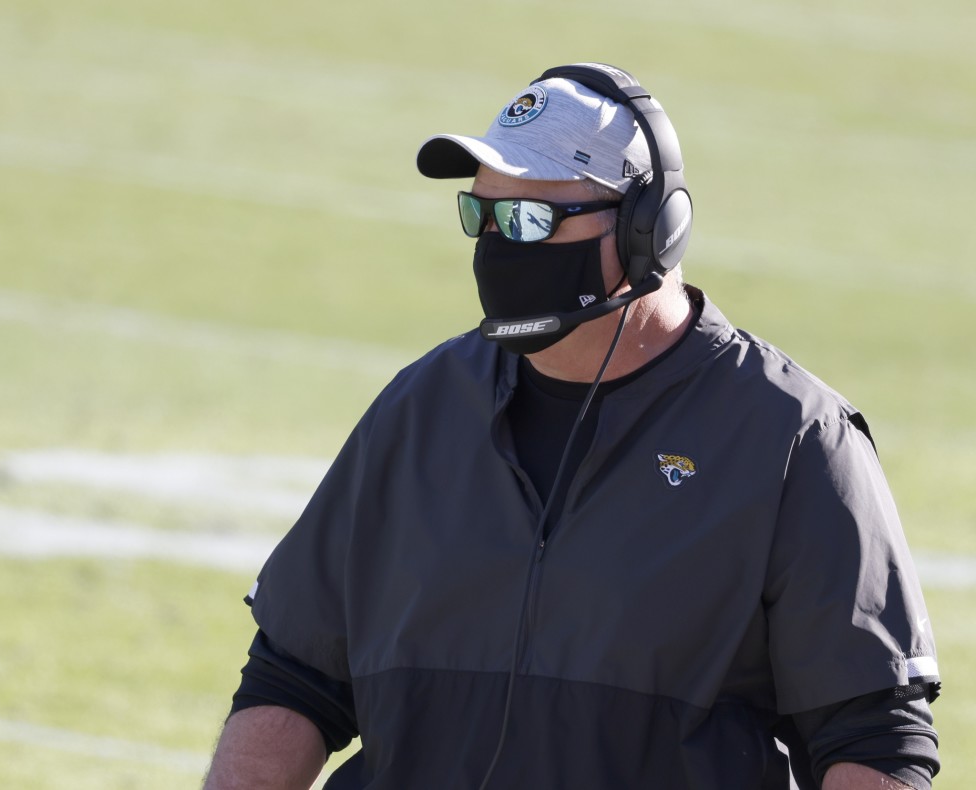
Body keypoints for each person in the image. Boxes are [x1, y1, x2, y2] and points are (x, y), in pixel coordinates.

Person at [202, 63, 942, 790]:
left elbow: (873, 737)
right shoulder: (420, 407)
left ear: (649, 229)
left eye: (531, 219)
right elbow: (295, 677)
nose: (498, 246)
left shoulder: (791, 438)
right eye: (482, 216)